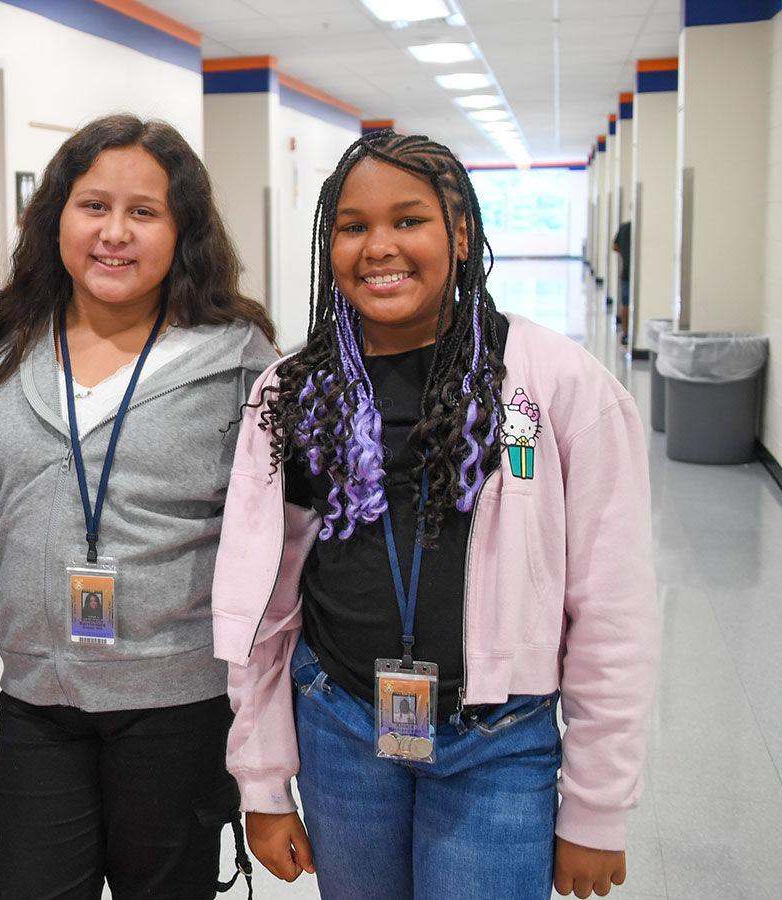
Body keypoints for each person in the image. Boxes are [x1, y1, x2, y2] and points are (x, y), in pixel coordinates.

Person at [213, 130, 660, 900]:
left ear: (459, 233)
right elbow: (264, 602)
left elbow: (612, 605)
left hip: (499, 744)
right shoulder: (294, 392)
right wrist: (261, 781)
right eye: (353, 227)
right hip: (341, 725)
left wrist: (595, 807)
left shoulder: (554, 383)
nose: (378, 246)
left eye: (408, 220)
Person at [0, 114, 277, 900]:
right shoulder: (8, 340)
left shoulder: (236, 356)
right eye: (92, 206)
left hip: (177, 702)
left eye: (144, 212)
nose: (114, 232)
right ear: (56, 218)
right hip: (36, 697)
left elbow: (285, 533)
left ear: (183, 232)